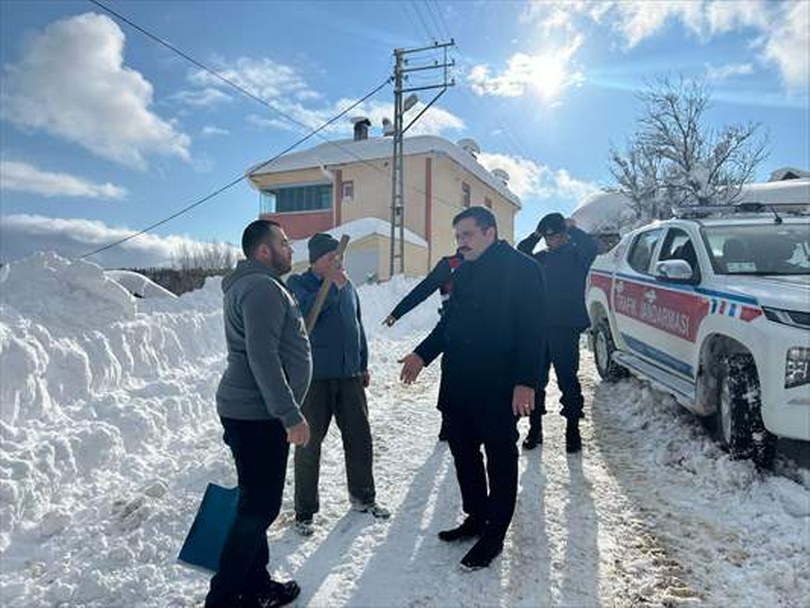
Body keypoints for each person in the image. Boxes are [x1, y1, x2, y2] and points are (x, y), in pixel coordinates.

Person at [399, 206, 546, 570]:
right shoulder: (461, 273)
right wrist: (421, 354)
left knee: (500, 457)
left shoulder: (524, 270)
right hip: (460, 382)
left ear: (490, 232)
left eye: (467, 234)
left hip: (498, 385)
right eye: (458, 236)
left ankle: (494, 533)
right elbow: (449, 324)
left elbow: (534, 331)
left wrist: (527, 383)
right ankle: (476, 516)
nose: (460, 243)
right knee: (463, 454)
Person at [206, 219, 312, 608]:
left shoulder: (253, 285)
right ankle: (224, 598)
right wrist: (289, 415)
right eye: (284, 243)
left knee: (255, 503)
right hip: (257, 414)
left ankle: (255, 585)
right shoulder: (262, 288)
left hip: (254, 411)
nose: (290, 249)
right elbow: (262, 357)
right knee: (260, 507)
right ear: (263, 251)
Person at [288, 233, 390, 536]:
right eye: (330, 258)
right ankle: (304, 512)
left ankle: (364, 497)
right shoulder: (298, 285)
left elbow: (355, 326)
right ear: (315, 260)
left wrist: (362, 364)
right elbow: (308, 316)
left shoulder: (348, 286)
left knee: (360, 438)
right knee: (309, 445)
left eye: (339, 257)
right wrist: (331, 286)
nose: (337, 263)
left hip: (349, 377)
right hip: (315, 379)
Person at [516, 212, 598, 453]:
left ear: (563, 235)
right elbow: (522, 251)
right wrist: (536, 234)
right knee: (536, 381)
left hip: (565, 327)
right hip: (539, 329)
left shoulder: (577, 255)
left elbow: (591, 248)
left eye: (555, 236)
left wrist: (573, 229)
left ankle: (572, 429)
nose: (550, 241)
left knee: (567, 380)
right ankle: (535, 428)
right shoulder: (540, 258)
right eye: (547, 238)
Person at [382, 249, 464, 441]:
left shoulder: (492, 264)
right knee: (451, 375)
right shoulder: (449, 265)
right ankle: (448, 422)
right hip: (450, 327)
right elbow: (423, 289)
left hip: (481, 334)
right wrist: (397, 312)